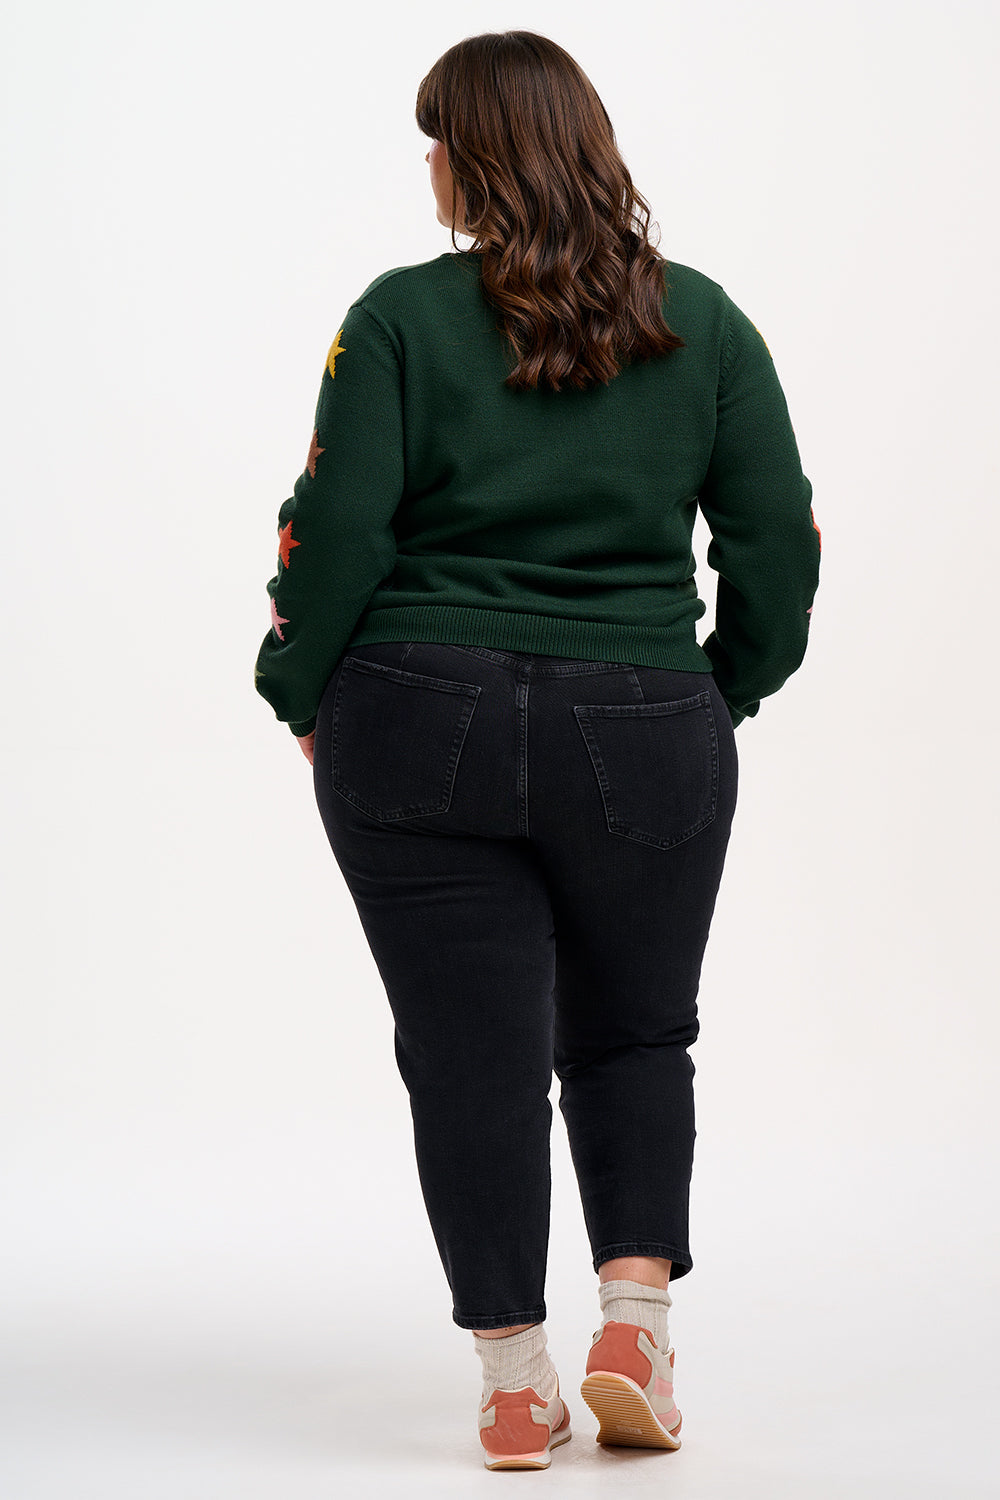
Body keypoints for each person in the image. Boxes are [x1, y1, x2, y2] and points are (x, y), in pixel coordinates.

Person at [253, 29, 821, 1472]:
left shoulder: (395, 320)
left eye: (439, 138)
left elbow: (335, 538)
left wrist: (299, 688)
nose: (429, 165)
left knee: (468, 1057)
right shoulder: (706, 323)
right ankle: (636, 1323)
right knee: (636, 1029)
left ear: (483, 156)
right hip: (641, 721)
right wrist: (715, 694)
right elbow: (775, 550)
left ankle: (515, 1383)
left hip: (413, 715)